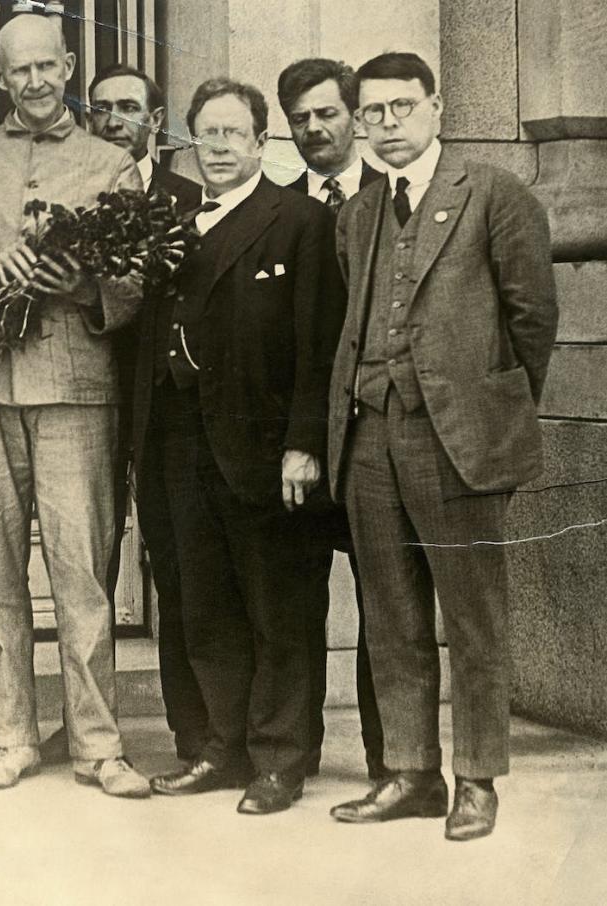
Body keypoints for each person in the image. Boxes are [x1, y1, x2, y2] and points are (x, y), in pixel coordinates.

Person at [328, 52, 558, 842]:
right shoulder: (357, 213)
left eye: (400, 108)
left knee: (473, 617)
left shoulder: (495, 195)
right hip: (367, 436)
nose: (385, 125)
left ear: (436, 107)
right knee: (389, 616)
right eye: (371, 113)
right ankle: (410, 773)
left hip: (455, 439)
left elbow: (531, 322)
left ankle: (477, 780)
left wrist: (484, 407)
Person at [0, 13, 150, 798]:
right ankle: (10, 735)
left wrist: (85, 287)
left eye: (46, 67)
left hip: (75, 388)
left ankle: (96, 744)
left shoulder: (112, 164)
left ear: (69, 66)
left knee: (81, 573)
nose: (34, 82)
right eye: (17, 70)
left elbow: (137, 279)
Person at [137, 78, 345, 814]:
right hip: (181, 447)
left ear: (261, 141)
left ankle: (281, 760)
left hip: (263, 452)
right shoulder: (177, 223)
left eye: (233, 134)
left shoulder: (297, 221)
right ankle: (219, 748)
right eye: (207, 135)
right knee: (205, 604)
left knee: (278, 606)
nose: (219, 148)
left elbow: (319, 345)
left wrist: (303, 444)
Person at [33, 63, 204, 769]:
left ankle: (197, 731)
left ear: (154, 122)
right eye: (98, 107)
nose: (110, 119)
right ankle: (85, 725)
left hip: (165, 409)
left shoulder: (190, 199)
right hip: (87, 394)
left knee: (181, 567)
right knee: (85, 570)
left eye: (127, 107)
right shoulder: (70, 183)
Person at [276, 56, 387, 781]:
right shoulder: (276, 209)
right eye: (299, 120)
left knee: (389, 603)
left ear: (353, 115)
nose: (314, 128)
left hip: (378, 437)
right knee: (289, 599)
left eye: (326, 113)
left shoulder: (396, 195)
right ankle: (290, 755)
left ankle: (394, 761)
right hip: (296, 444)